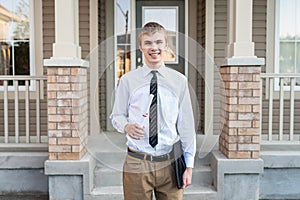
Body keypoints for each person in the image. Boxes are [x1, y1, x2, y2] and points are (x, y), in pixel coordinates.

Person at [110, 22, 196, 200]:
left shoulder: (179, 81)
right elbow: (116, 116)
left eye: (158, 42)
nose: (153, 47)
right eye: (148, 43)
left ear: (165, 45)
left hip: (171, 162)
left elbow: (186, 125)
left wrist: (189, 166)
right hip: (137, 162)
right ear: (141, 47)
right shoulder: (128, 80)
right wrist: (126, 126)